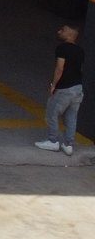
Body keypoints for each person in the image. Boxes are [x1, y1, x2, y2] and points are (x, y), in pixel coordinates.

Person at [37, 24, 84, 156]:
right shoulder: (80, 51)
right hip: (78, 88)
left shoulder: (62, 48)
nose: (59, 32)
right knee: (71, 117)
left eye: (62, 30)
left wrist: (53, 85)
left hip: (64, 88)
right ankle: (68, 145)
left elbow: (60, 69)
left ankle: (53, 141)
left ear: (69, 34)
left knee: (51, 113)